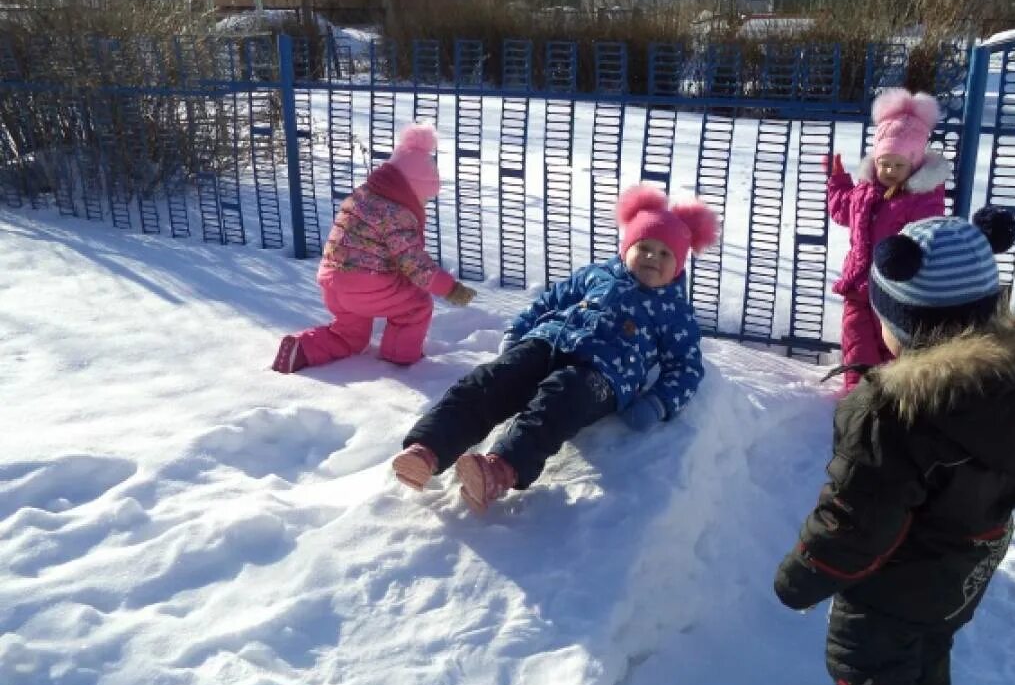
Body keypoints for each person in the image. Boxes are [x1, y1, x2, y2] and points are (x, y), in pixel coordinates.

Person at [773, 207, 1015, 685]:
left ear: (906, 323)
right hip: (969, 559)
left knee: (868, 664)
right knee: (927, 649)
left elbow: (857, 517)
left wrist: (802, 576)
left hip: (900, 577)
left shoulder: (896, 412)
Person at [390, 185, 717, 512]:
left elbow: (686, 368)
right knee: (490, 381)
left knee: (558, 402)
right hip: (548, 341)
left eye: (664, 254)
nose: (651, 257)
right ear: (626, 247)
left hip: (602, 375)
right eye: (644, 246)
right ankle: (427, 450)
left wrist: (658, 402)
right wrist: (519, 330)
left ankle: (500, 469)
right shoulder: (596, 275)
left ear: (678, 265)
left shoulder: (675, 313)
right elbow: (550, 301)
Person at [272, 123, 476, 373]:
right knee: (416, 305)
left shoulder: (363, 196)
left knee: (350, 336)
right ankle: (399, 360)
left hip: (331, 282)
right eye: (424, 197)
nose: (424, 203)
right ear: (412, 188)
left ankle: (301, 349)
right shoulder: (397, 212)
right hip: (366, 285)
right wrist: (450, 288)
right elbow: (414, 264)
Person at [827, 88, 950, 391]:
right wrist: (838, 183)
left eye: (898, 166)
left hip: (895, 288)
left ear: (915, 164)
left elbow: (927, 235)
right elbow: (843, 212)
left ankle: (889, 394)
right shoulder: (865, 191)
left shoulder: (922, 198)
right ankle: (857, 394)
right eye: (885, 164)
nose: (890, 171)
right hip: (858, 283)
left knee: (890, 345)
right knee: (856, 339)